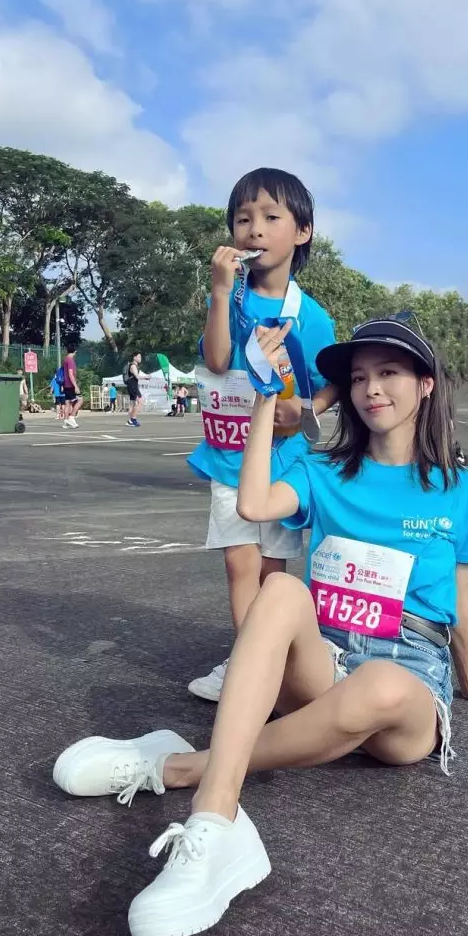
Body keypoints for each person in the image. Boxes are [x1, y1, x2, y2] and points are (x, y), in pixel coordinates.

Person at [51, 316, 468, 936]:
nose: (370, 389)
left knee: (382, 683)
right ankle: (215, 823)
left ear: (425, 385)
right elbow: (252, 506)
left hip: (409, 678)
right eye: (358, 377)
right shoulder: (323, 468)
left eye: (389, 372)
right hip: (324, 661)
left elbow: (459, 599)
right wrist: (262, 400)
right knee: (279, 589)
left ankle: (177, 766)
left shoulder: (459, 488)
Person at [186, 167, 337, 702]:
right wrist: (219, 291)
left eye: (272, 217)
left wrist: (305, 411)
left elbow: (331, 384)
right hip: (229, 454)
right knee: (238, 563)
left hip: (283, 460)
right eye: (243, 219)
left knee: (273, 571)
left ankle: (271, 664)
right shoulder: (231, 298)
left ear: (303, 232)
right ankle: (246, 664)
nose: (254, 229)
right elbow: (216, 360)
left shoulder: (311, 317)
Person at [61, 345, 83, 429]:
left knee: (68, 403)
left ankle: (65, 422)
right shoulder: (70, 360)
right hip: (70, 385)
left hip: (66, 384)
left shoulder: (65, 359)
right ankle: (71, 417)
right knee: (80, 400)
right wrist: (75, 386)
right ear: (75, 351)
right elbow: (70, 374)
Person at [124, 352, 142, 427]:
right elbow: (137, 376)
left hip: (132, 386)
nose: (140, 358)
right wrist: (146, 377)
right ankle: (133, 419)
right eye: (139, 357)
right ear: (134, 358)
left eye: (140, 357)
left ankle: (130, 421)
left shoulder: (133, 366)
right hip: (133, 387)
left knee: (132, 404)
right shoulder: (133, 366)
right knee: (140, 401)